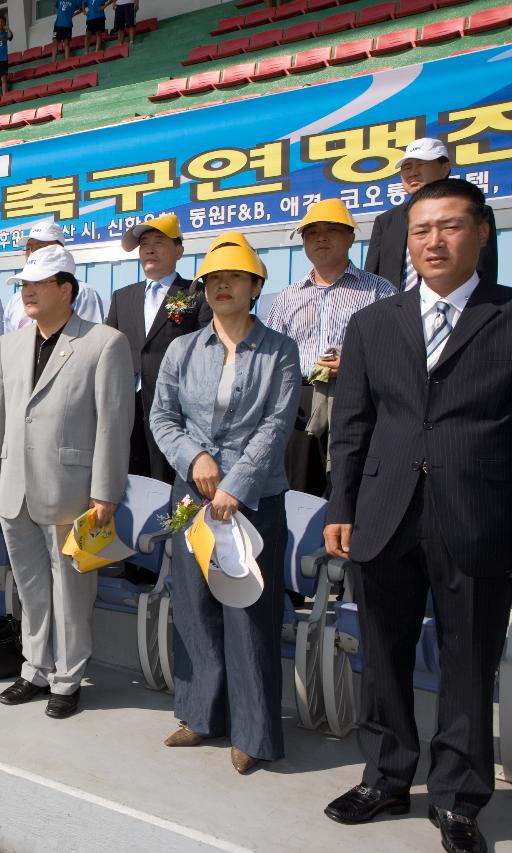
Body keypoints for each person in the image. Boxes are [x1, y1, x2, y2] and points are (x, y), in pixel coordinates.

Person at [322, 179, 511, 853]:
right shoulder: (375, 322)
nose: (435, 240)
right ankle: (386, 775)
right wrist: (341, 505)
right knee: (382, 651)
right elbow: (352, 425)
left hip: (480, 514)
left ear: (482, 233)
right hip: (384, 511)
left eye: (451, 226)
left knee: (469, 659)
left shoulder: (508, 314)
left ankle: (460, 798)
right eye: (423, 228)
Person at [149, 236, 299, 775]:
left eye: (234, 277)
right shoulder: (182, 349)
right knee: (191, 604)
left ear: (256, 287)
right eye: (213, 279)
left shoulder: (280, 349)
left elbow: (277, 424)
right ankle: (198, 714)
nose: (222, 286)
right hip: (192, 498)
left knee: (250, 612)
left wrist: (235, 482)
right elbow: (161, 418)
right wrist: (195, 460)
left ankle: (253, 733)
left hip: (254, 498)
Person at [0, 244, 133, 719]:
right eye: (23, 285)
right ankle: (35, 669)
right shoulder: (10, 343)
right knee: (29, 585)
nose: (27, 293)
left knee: (70, 588)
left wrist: (105, 491)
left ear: (66, 290)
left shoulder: (104, 343)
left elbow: (113, 423)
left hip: (72, 489)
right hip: (15, 487)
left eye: (36, 285)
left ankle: (69, 677)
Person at [266, 200, 395, 496]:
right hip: (299, 401)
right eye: (312, 232)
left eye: (332, 230)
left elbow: (397, 351)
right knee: (299, 489)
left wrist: (355, 363)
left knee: (351, 485)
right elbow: (269, 355)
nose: (321, 238)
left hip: (357, 398)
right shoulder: (288, 297)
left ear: (351, 236)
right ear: (303, 242)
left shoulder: (379, 290)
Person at [105, 214, 210, 483]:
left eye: (159, 241)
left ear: (179, 250)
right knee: (128, 476)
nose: (149, 248)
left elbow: (207, 349)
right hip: (127, 404)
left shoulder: (195, 293)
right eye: (144, 243)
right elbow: (107, 350)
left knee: (167, 478)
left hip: (174, 406)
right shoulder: (122, 296)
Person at [364, 137, 498, 291]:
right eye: (407, 167)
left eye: (421, 164)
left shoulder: (476, 211)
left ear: (445, 168)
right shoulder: (386, 220)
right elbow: (371, 275)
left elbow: (486, 269)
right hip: (396, 310)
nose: (413, 172)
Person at [4, 219, 106, 331]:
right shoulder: (15, 300)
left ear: (59, 248)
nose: (32, 253)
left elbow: (89, 340)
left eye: (39, 247)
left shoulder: (83, 292)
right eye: (29, 248)